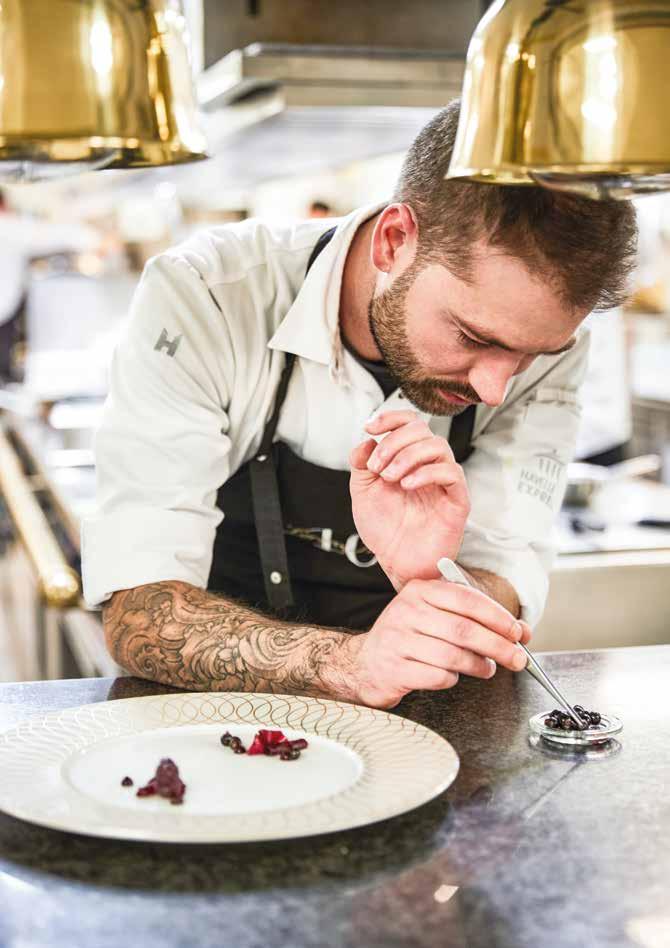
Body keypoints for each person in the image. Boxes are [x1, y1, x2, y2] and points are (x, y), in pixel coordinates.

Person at [84, 101, 637, 709]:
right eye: (474, 338)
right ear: (395, 242)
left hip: (423, 720)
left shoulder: (546, 344)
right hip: (214, 720)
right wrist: (349, 664)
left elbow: (507, 562)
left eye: (532, 355)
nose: (495, 390)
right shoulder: (210, 296)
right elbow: (139, 613)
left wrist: (432, 578)